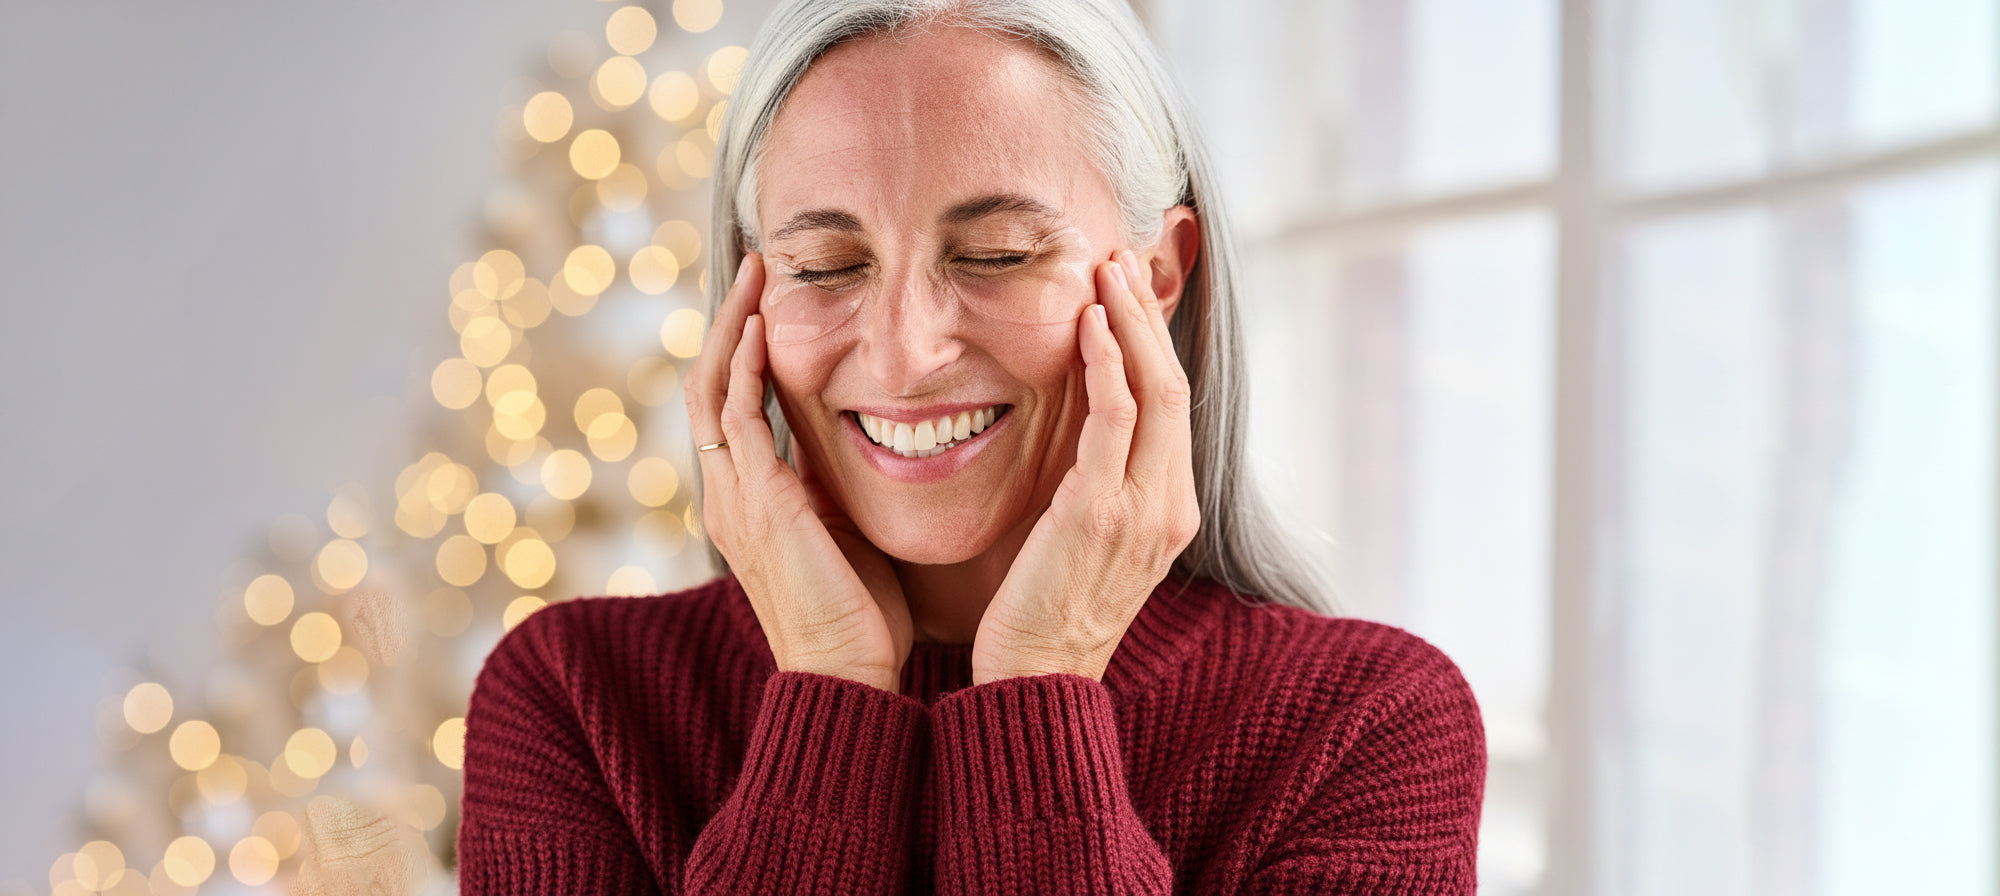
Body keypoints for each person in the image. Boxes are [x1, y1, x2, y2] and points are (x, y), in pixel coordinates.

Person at [458, 0, 1486, 892]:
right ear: (748, 291)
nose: (905, 353)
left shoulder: (1366, 726)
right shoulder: (575, 699)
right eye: (822, 265)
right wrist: (827, 687)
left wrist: (1040, 687)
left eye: (994, 253)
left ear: (1159, 275)